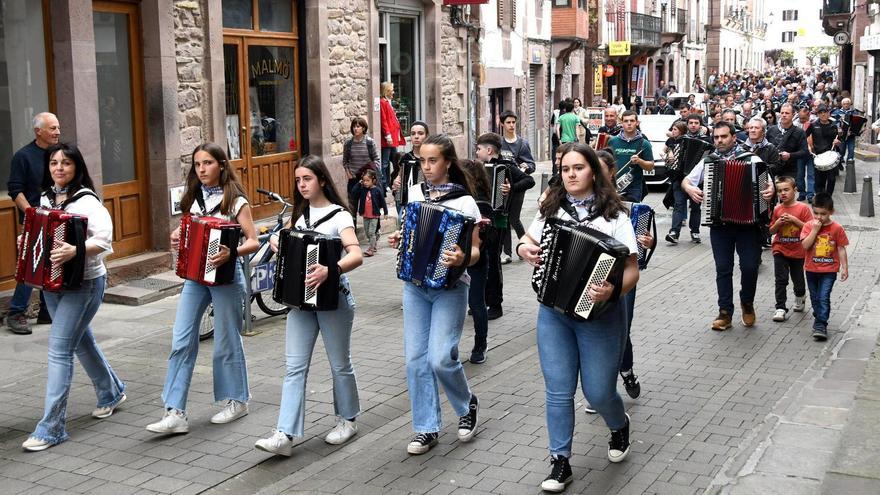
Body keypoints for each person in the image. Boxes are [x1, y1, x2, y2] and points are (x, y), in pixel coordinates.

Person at [517, 143, 639, 492]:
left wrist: (612, 291)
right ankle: (560, 462)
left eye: (578, 168)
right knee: (558, 391)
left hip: (598, 315)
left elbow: (631, 271)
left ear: (593, 172)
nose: (570, 174)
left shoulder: (615, 217)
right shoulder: (551, 209)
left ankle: (618, 425)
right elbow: (526, 240)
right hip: (553, 313)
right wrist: (525, 248)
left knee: (599, 393)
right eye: (565, 168)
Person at [254, 155, 364, 456]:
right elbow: (285, 243)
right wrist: (279, 242)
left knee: (340, 364)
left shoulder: (339, 215)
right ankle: (284, 434)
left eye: (308, 179)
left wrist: (332, 269)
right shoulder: (300, 216)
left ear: (322, 181)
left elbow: (356, 254)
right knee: (294, 367)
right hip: (301, 304)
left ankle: (347, 419)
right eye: (298, 180)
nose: (302, 185)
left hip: (334, 301)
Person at [147, 143, 259, 435]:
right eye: (197, 164)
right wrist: (178, 236)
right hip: (196, 277)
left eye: (207, 163)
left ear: (221, 165)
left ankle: (237, 400)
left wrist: (231, 253)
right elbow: (188, 231)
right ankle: (175, 412)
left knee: (226, 340)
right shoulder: (193, 198)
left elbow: (252, 240)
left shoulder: (235, 201)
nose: (201, 169)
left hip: (226, 277)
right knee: (181, 338)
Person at [20, 143, 125, 452]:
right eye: (54, 163)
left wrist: (77, 250)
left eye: (65, 163)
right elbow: (42, 231)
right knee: (81, 342)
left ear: (77, 167)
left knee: (59, 349)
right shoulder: (44, 197)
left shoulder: (87, 202)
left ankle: (51, 428)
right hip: (52, 284)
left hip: (86, 283)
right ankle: (111, 391)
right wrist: (28, 238)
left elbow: (105, 240)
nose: (59, 168)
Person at [388, 134, 482, 455]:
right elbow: (411, 232)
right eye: (423, 161)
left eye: (433, 161)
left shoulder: (464, 201)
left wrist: (461, 257)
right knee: (415, 361)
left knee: (440, 358)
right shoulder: (414, 193)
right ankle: (426, 428)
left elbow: (476, 252)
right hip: (415, 286)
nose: (427, 167)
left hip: (451, 287)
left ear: (447, 163)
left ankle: (466, 404)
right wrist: (402, 237)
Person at [681, 122, 774, 330]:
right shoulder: (709, 161)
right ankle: (725, 312)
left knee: (750, 267)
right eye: (716, 137)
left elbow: (769, 184)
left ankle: (747, 302)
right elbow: (687, 181)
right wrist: (690, 189)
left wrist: (770, 191)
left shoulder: (752, 159)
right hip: (719, 223)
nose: (719, 141)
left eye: (723, 137)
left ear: (734, 137)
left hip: (748, 225)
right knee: (723, 268)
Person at [6, 112, 60, 334]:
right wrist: (32, 215)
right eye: (52, 128)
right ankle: (16, 313)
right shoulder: (24, 156)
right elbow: (15, 190)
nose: (57, 132)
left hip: (57, 217)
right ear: (39, 131)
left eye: (58, 128)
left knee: (53, 263)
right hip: (33, 219)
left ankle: (47, 312)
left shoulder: (59, 154)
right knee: (31, 265)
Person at [475, 133, 534, 320]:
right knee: (479, 261)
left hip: (498, 219)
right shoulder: (477, 167)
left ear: (489, 150)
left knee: (492, 262)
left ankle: (495, 304)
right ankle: (480, 300)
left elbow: (529, 181)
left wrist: (511, 188)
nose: (476, 152)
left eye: (479, 149)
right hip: (481, 220)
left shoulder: (506, 166)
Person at [800, 193, 848, 341]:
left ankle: (821, 324)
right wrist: (814, 230)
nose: (819, 217)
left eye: (823, 214)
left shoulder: (837, 228)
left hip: (829, 270)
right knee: (815, 298)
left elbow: (841, 248)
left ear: (831, 212)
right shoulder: (808, 226)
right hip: (811, 269)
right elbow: (805, 245)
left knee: (823, 297)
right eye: (816, 213)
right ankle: (818, 317)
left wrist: (845, 267)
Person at [459, 159, 493, 364]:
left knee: (476, 303)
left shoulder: (481, 204)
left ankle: (481, 343)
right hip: (454, 261)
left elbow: (486, 238)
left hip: (476, 262)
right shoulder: (458, 199)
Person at [769, 176, 812, 322]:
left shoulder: (803, 208)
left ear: (795, 190)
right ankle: (780, 307)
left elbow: (810, 228)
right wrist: (778, 224)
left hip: (798, 251)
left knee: (798, 279)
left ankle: (800, 296)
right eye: (780, 191)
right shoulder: (777, 209)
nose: (783, 193)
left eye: (786, 190)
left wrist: (794, 220)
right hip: (780, 248)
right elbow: (771, 231)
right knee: (780, 279)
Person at [498, 111, 537, 264]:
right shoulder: (499, 143)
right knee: (504, 218)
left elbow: (532, 165)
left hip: (519, 185)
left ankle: (524, 245)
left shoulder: (523, 143)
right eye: (508, 122)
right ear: (502, 124)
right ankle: (506, 253)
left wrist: (526, 167)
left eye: (513, 122)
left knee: (514, 218)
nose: (511, 125)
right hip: (503, 185)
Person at [664, 121, 702, 244]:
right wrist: (669, 155)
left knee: (695, 207)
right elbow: (665, 153)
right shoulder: (672, 142)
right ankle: (674, 232)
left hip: (695, 181)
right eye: (673, 129)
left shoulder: (701, 141)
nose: (673, 131)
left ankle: (695, 231)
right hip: (678, 178)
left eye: (676, 129)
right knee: (679, 205)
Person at [609, 111, 654, 202]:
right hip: (613, 186)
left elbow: (650, 166)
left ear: (637, 123)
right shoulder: (612, 141)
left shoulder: (644, 143)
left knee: (631, 214)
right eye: (626, 121)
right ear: (621, 123)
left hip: (634, 188)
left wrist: (640, 161)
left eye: (632, 121)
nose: (629, 124)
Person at [342, 117, 380, 218]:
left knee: (370, 206)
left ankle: (374, 229)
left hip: (368, 179)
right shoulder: (348, 143)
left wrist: (369, 175)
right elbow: (345, 161)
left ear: (363, 128)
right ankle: (352, 228)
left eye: (358, 126)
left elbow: (377, 160)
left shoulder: (369, 142)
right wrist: (348, 173)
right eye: (354, 126)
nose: (355, 129)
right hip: (354, 179)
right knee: (352, 206)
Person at [766, 103, 809, 189]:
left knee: (785, 197)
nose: (784, 115)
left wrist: (790, 155)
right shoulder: (771, 130)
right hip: (772, 168)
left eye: (787, 113)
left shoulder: (799, 132)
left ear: (793, 115)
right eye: (782, 113)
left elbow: (804, 151)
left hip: (790, 169)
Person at [391, 120, 430, 207]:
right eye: (413, 134)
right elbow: (399, 177)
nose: (416, 137)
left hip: (426, 203)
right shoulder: (405, 158)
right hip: (406, 202)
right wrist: (396, 183)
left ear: (427, 136)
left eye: (420, 133)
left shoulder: (431, 158)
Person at [807, 105, 842, 195]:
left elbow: (839, 140)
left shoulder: (834, 126)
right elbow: (804, 136)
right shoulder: (813, 125)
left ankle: (828, 196)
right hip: (819, 156)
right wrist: (808, 146)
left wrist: (838, 142)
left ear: (828, 113)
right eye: (820, 113)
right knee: (819, 181)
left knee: (831, 178)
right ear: (818, 114)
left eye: (825, 112)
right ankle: (820, 197)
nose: (823, 115)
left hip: (831, 155)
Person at [351, 169, 387, 257]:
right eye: (364, 181)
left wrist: (385, 212)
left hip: (374, 215)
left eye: (368, 181)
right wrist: (359, 183)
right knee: (367, 232)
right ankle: (375, 239)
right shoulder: (362, 189)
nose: (365, 183)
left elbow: (383, 202)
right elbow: (353, 193)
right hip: (365, 215)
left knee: (371, 232)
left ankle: (371, 249)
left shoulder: (377, 190)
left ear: (373, 180)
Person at [380, 81, 406, 192]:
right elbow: (384, 120)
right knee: (385, 163)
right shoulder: (382, 102)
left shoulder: (387, 102)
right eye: (391, 90)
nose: (393, 92)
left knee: (396, 161)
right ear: (386, 91)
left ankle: (393, 181)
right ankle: (384, 184)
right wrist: (388, 135)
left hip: (392, 139)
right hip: (388, 140)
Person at [832, 97, 856, 163]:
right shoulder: (836, 112)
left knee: (851, 150)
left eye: (847, 104)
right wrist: (838, 128)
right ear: (842, 104)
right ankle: (840, 161)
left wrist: (855, 130)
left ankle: (849, 164)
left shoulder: (854, 112)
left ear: (850, 104)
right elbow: (833, 122)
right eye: (844, 104)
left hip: (851, 135)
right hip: (841, 135)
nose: (846, 105)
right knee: (841, 150)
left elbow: (857, 122)